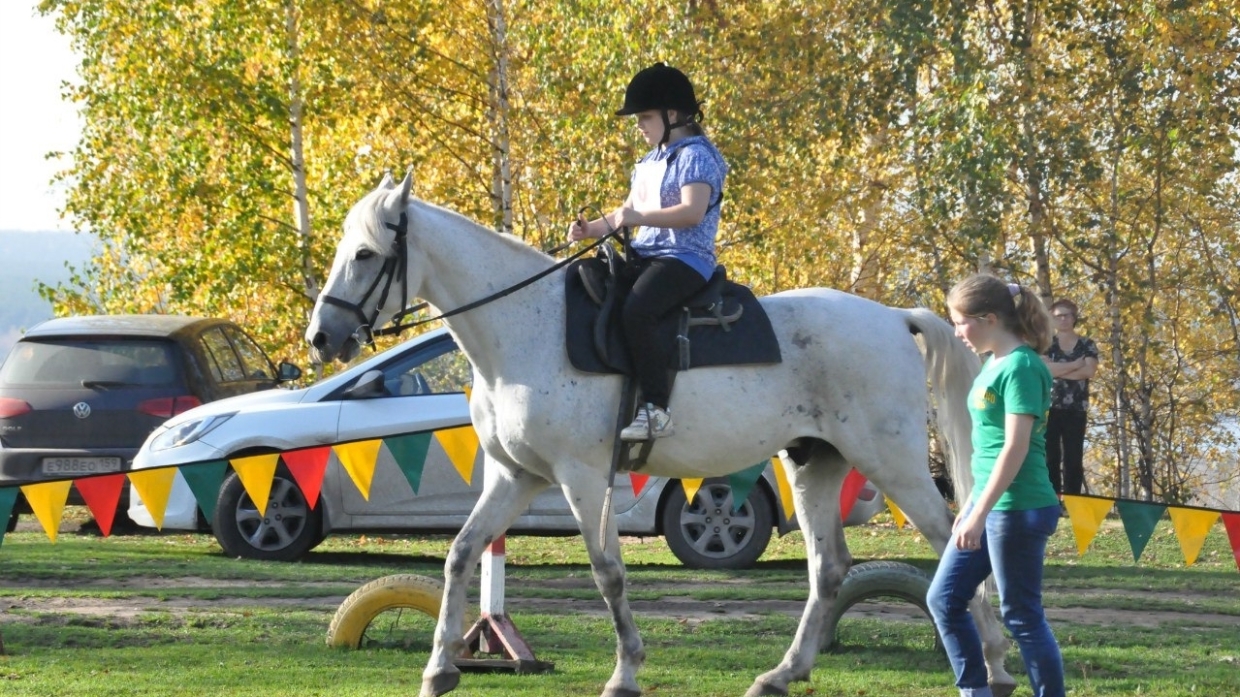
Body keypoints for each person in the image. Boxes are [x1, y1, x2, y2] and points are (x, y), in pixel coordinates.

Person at [567, 62, 728, 441]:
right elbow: (625, 215)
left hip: (685, 259)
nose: (639, 125)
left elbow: (691, 212)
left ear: (672, 115)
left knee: (638, 309)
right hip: (647, 255)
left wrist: (634, 215)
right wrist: (590, 229)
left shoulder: (697, 156)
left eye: (644, 117)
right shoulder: (651, 160)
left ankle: (656, 409)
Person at [928, 274, 1066, 697]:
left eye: (960, 322)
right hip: (990, 505)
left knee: (1021, 614)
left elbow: (1014, 449)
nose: (956, 333)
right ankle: (976, 691)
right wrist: (972, 507)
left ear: (988, 319)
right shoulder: (994, 363)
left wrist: (977, 512)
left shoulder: (1024, 366)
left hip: (1019, 508)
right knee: (944, 599)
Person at [1042, 299, 1099, 498]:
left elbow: (1089, 371)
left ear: (1074, 318)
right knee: (1050, 456)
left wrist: (1060, 370)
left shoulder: (1086, 344)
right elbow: (1046, 370)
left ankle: (1073, 501)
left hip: (1077, 408)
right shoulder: (1046, 343)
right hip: (1049, 407)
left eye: (1067, 315)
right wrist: (1076, 364)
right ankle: (1052, 499)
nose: (1063, 319)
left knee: (1073, 458)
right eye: (1059, 315)